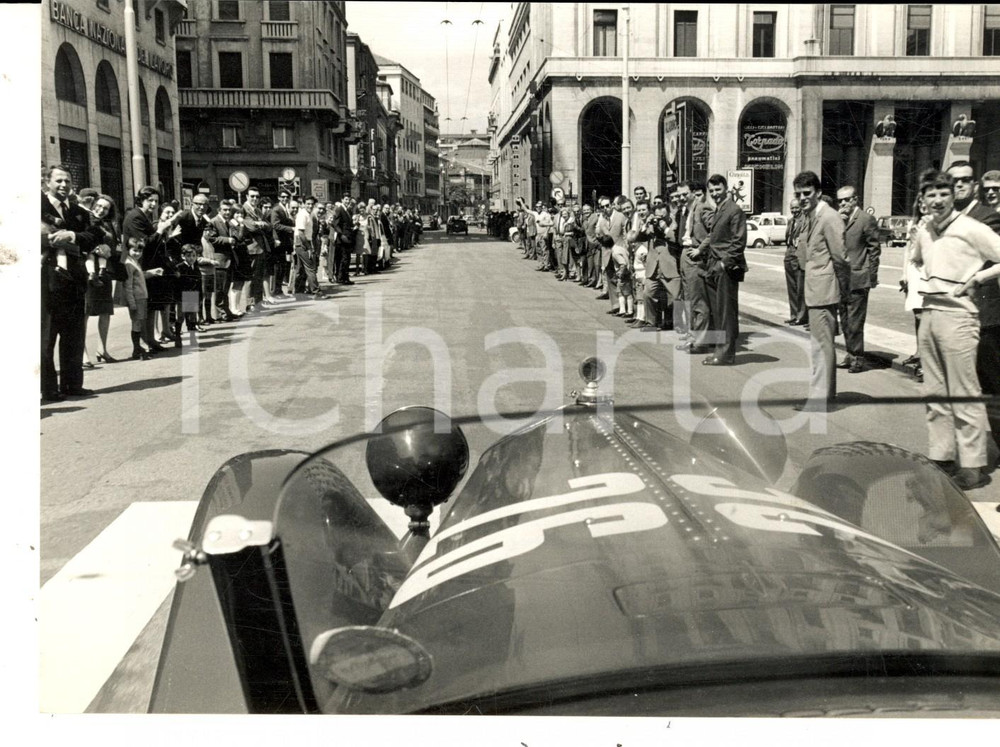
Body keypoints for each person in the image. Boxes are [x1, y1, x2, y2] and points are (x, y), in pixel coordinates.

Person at [911, 168, 1000, 490]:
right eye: (931, 195)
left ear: (954, 196)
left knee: (964, 394)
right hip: (929, 314)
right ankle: (942, 456)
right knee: (934, 394)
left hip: (959, 319)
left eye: (944, 194)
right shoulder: (925, 230)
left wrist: (978, 277)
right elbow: (918, 260)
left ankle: (973, 467)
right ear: (923, 199)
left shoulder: (970, 228)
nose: (938, 200)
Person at [41, 165, 102, 401]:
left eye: (67, 181)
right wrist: (52, 239)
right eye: (58, 181)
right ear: (47, 182)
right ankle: (48, 388)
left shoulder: (79, 212)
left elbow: (94, 237)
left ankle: (72, 384)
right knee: (47, 336)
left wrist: (72, 236)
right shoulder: (34, 206)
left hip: (74, 281)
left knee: (74, 334)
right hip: (46, 280)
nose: (63, 185)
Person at [793, 170, 849, 412]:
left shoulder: (829, 217)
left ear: (818, 193)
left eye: (807, 193)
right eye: (798, 194)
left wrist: (842, 290)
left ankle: (819, 399)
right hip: (816, 288)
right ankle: (827, 395)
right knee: (822, 344)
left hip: (824, 290)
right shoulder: (811, 216)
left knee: (820, 345)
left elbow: (841, 258)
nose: (802, 198)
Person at [690, 174, 747, 365]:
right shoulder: (720, 209)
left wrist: (724, 263)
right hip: (715, 266)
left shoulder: (734, 210)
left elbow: (738, 242)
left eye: (718, 190)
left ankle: (725, 354)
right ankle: (720, 351)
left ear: (726, 189)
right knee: (719, 311)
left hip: (726, 268)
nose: (715, 194)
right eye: (712, 191)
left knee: (726, 312)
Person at [836, 184, 881, 373]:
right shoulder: (838, 219)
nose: (843, 203)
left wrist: (871, 276)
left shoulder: (866, 219)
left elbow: (874, 249)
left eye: (847, 199)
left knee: (855, 322)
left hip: (858, 277)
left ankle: (857, 358)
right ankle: (850, 353)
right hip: (841, 279)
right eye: (840, 200)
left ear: (855, 199)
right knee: (845, 320)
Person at [85, 194, 123, 364]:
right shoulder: (83, 217)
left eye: (105, 208)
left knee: (105, 312)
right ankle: (83, 354)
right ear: (93, 204)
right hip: (88, 271)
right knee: (85, 312)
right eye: (99, 206)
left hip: (104, 271)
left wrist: (108, 249)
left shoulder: (109, 225)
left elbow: (116, 249)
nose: (101, 210)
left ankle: (102, 349)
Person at [122, 236, 163, 360]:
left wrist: (152, 272)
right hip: (136, 299)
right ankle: (138, 350)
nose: (137, 253)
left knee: (139, 323)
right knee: (137, 324)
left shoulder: (134, 262)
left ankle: (139, 349)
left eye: (140, 251)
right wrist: (131, 302)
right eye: (134, 250)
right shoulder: (129, 264)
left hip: (141, 297)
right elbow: (128, 285)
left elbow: (140, 277)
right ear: (128, 250)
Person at [783, 198, 807, 326]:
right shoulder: (790, 221)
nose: (794, 211)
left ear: (801, 208)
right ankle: (793, 314)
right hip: (789, 255)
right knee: (791, 288)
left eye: (797, 208)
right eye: (792, 208)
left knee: (800, 289)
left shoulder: (805, 221)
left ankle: (801, 316)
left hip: (798, 257)